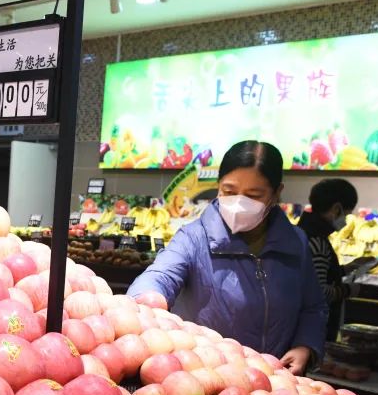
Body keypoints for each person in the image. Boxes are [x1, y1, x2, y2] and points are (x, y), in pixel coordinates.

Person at [128, 140, 328, 373]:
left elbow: (313, 306)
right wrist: (145, 299)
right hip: (206, 377)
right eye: (229, 191)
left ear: (276, 194)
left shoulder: (296, 243)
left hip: (275, 381)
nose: (238, 203)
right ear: (219, 186)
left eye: (254, 195)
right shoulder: (194, 238)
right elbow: (160, 275)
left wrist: (306, 345)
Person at [298, 178, 359, 341]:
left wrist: (348, 268)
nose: (346, 220)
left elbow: (313, 274)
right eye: (347, 214)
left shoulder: (303, 232)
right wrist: (348, 290)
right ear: (336, 209)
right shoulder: (317, 242)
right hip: (313, 332)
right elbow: (319, 292)